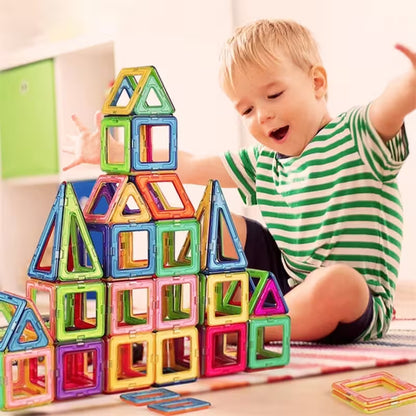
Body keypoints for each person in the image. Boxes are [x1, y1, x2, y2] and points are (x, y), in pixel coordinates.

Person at [65, 19, 415, 344]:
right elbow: (186, 164)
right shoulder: (262, 160)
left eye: (274, 95)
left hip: (353, 304)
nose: (263, 115)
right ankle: (203, 309)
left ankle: (249, 331)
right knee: (210, 220)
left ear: (317, 82)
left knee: (339, 282)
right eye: (246, 110)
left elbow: (390, 105)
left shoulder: (355, 135)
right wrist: (116, 150)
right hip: (284, 283)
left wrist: (411, 84)